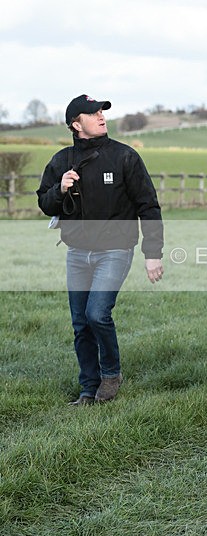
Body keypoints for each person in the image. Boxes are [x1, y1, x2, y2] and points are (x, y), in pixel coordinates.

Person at [37, 94, 164, 406]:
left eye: (101, 112)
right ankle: (88, 388)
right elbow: (44, 203)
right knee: (80, 323)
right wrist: (60, 188)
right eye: (92, 113)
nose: (101, 116)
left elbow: (148, 206)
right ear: (75, 124)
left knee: (97, 314)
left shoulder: (125, 157)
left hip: (115, 250)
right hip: (77, 253)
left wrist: (153, 253)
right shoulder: (61, 161)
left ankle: (111, 374)